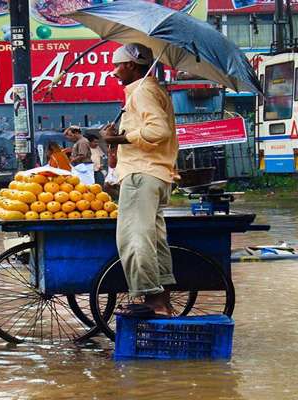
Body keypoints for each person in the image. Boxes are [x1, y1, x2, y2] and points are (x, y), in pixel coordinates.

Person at [100, 43, 179, 317]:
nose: (114, 72)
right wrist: (116, 138)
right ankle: (163, 300)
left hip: (143, 174)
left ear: (132, 65)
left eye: (117, 65)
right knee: (154, 238)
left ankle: (154, 301)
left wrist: (120, 138)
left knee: (133, 236)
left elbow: (159, 130)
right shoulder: (149, 90)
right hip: (155, 173)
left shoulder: (143, 91)